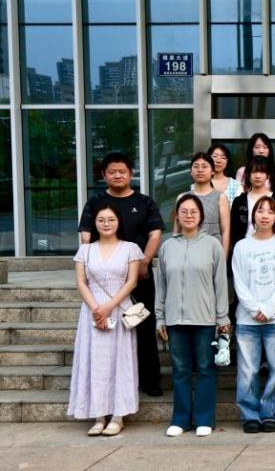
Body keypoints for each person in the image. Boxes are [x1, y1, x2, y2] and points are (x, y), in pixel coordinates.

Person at [78, 153, 165, 397]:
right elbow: (85, 236)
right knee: (107, 331)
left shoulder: (144, 202)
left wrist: (144, 261)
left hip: (139, 277)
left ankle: (149, 380)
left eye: (122, 171)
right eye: (112, 171)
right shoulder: (95, 202)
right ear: (104, 175)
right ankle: (107, 384)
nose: (117, 175)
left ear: (131, 174)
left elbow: (155, 235)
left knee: (143, 326)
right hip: (105, 281)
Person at [156, 194, 230, 437]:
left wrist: (222, 318)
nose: (188, 216)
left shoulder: (212, 245)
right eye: (184, 211)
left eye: (193, 212)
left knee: (206, 369)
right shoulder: (167, 246)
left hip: (205, 319)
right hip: (175, 320)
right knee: (180, 370)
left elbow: (220, 284)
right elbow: (161, 285)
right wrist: (159, 317)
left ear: (201, 216)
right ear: (177, 215)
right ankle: (180, 419)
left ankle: (204, 419)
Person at [69, 203, 144, 436]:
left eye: (111, 219)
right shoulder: (85, 251)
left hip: (119, 309)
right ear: (95, 223)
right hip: (91, 311)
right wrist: (96, 310)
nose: (106, 224)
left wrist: (108, 308)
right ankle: (98, 415)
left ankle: (118, 416)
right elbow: (81, 282)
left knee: (120, 361)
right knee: (95, 361)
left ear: (119, 222)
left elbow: (132, 281)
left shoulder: (130, 248)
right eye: (101, 220)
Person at [231, 196, 275, 434]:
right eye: (260, 210)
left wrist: (268, 309)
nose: (265, 215)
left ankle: (272, 414)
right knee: (248, 370)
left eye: (270, 211)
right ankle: (250, 415)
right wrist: (255, 309)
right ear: (253, 215)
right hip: (247, 319)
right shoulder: (242, 246)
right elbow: (238, 281)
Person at [179, 152, 230, 256]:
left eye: (204, 166)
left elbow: (225, 231)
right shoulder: (182, 198)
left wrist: (223, 259)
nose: (200, 170)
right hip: (187, 253)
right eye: (196, 166)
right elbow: (177, 231)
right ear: (191, 172)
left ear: (212, 171)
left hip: (212, 253)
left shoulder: (221, 198)